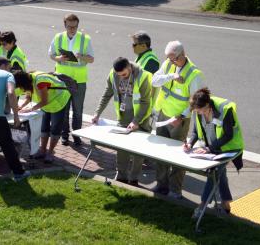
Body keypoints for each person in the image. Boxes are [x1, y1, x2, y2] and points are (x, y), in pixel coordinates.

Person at [152, 40, 205, 199]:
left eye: (174, 58)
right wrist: (171, 76)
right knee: (161, 153)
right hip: (163, 115)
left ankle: (175, 191)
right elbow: (154, 81)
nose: (170, 61)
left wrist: (181, 117)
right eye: (168, 58)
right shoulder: (168, 64)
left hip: (179, 120)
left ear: (183, 55)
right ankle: (161, 185)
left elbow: (196, 102)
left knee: (177, 156)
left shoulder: (194, 74)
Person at [183, 88, 244, 218]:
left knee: (214, 171)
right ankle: (226, 204)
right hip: (212, 149)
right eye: (196, 111)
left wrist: (209, 149)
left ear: (207, 106)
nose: (198, 113)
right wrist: (190, 143)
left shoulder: (225, 110)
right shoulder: (197, 110)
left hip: (228, 149)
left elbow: (228, 135)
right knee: (219, 173)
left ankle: (202, 205)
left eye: (199, 110)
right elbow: (195, 132)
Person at [92, 57, 152, 186]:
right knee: (122, 149)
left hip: (140, 119)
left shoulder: (143, 76)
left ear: (129, 68)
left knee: (138, 150)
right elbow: (107, 93)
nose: (122, 77)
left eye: (124, 74)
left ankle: (134, 178)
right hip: (123, 118)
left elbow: (145, 102)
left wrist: (136, 121)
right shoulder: (113, 74)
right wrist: (97, 113)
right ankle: (121, 176)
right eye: (119, 75)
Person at [48, 13, 94, 147]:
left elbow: (91, 59)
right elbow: (51, 54)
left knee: (78, 111)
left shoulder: (85, 38)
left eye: (75, 27)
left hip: (79, 80)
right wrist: (58, 59)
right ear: (65, 25)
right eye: (69, 27)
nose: (72, 29)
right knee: (64, 110)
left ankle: (77, 135)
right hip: (62, 80)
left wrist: (82, 56)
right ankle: (64, 136)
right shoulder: (58, 37)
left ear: (78, 25)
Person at [14, 70, 71, 163]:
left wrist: (30, 109)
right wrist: (21, 107)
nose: (21, 89)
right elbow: (28, 96)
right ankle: (43, 150)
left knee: (55, 128)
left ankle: (50, 152)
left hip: (59, 101)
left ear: (23, 82)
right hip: (46, 104)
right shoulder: (28, 79)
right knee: (44, 127)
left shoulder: (40, 81)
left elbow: (44, 101)